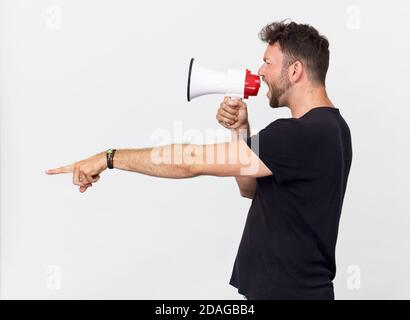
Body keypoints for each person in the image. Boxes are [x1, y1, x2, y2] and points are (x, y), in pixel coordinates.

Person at [46, 20, 352, 300]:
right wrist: (240, 130)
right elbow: (249, 188)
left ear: (295, 70)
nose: (260, 71)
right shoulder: (333, 128)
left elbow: (188, 161)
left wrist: (108, 157)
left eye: (268, 62)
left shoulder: (299, 134)